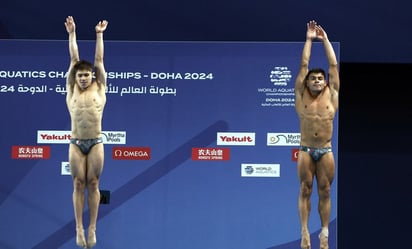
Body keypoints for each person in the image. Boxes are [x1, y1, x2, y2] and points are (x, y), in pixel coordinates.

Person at [295, 20, 339, 249]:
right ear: (308, 82)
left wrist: (325, 40)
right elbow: (304, 64)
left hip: (326, 150)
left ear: (324, 82)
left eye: (320, 79)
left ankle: (324, 232)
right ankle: (304, 232)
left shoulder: (332, 94)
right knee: (305, 189)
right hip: (305, 149)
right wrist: (309, 40)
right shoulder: (301, 95)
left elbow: (333, 65)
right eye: (313, 78)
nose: (317, 81)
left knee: (325, 190)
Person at [64, 16, 108, 248]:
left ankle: (92, 228)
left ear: (92, 76)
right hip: (76, 142)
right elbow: (74, 58)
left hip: (96, 141)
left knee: (93, 183)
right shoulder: (72, 88)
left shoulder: (99, 87)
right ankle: (79, 228)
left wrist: (99, 34)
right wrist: (72, 33)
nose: (82, 78)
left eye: (86, 75)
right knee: (78, 184)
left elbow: (99, 59)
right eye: (79, 75)